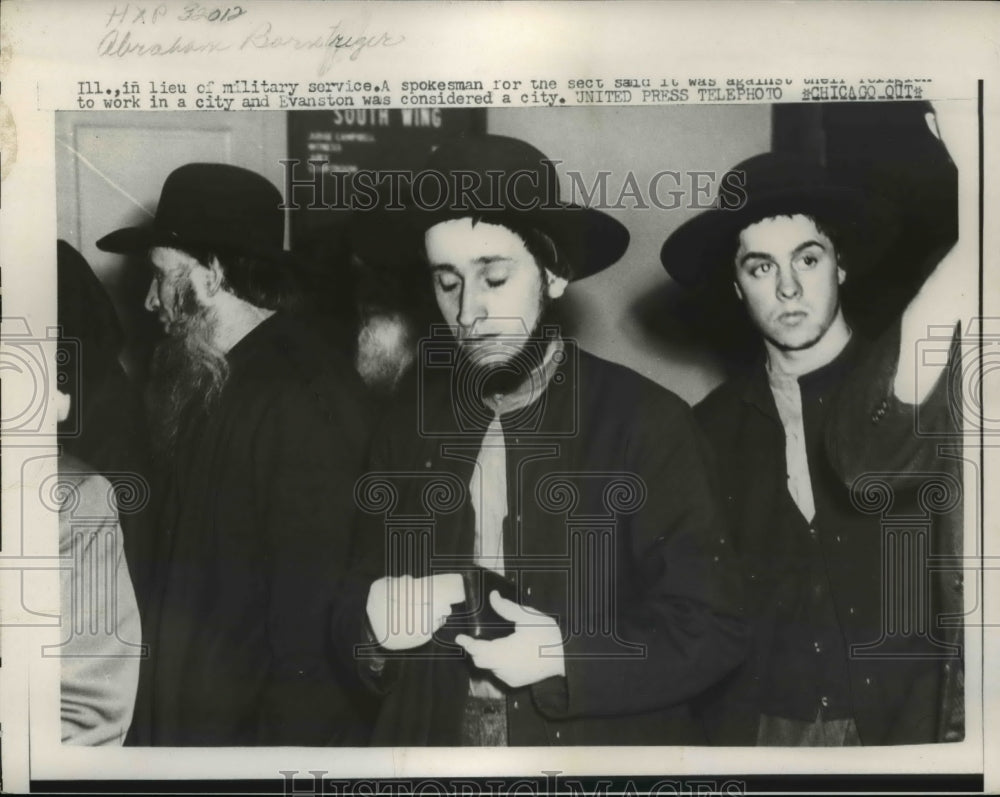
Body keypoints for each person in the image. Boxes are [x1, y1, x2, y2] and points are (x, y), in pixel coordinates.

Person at [337, 134, 749, 746]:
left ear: (554, 276)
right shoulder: (406, 425)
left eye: (494, 278)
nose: (469, 312)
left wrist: (568, 656)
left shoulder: (645, 423)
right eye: (447, 282)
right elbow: (358, 595)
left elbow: (713, 627)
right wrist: (371, 626)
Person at [659, 103, 969, 745]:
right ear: (737, 287)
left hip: (906, 728)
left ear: (842, 265)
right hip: (760, 733)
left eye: (808, 258)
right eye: (761, 268)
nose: (789, 290)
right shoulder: (706, 431)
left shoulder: (923, 391)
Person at [96, 163, 374, 745]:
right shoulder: (216, 378)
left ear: (214, 275)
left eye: (162, 276)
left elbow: (313, 643)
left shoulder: (302, 394)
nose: (150, 301)